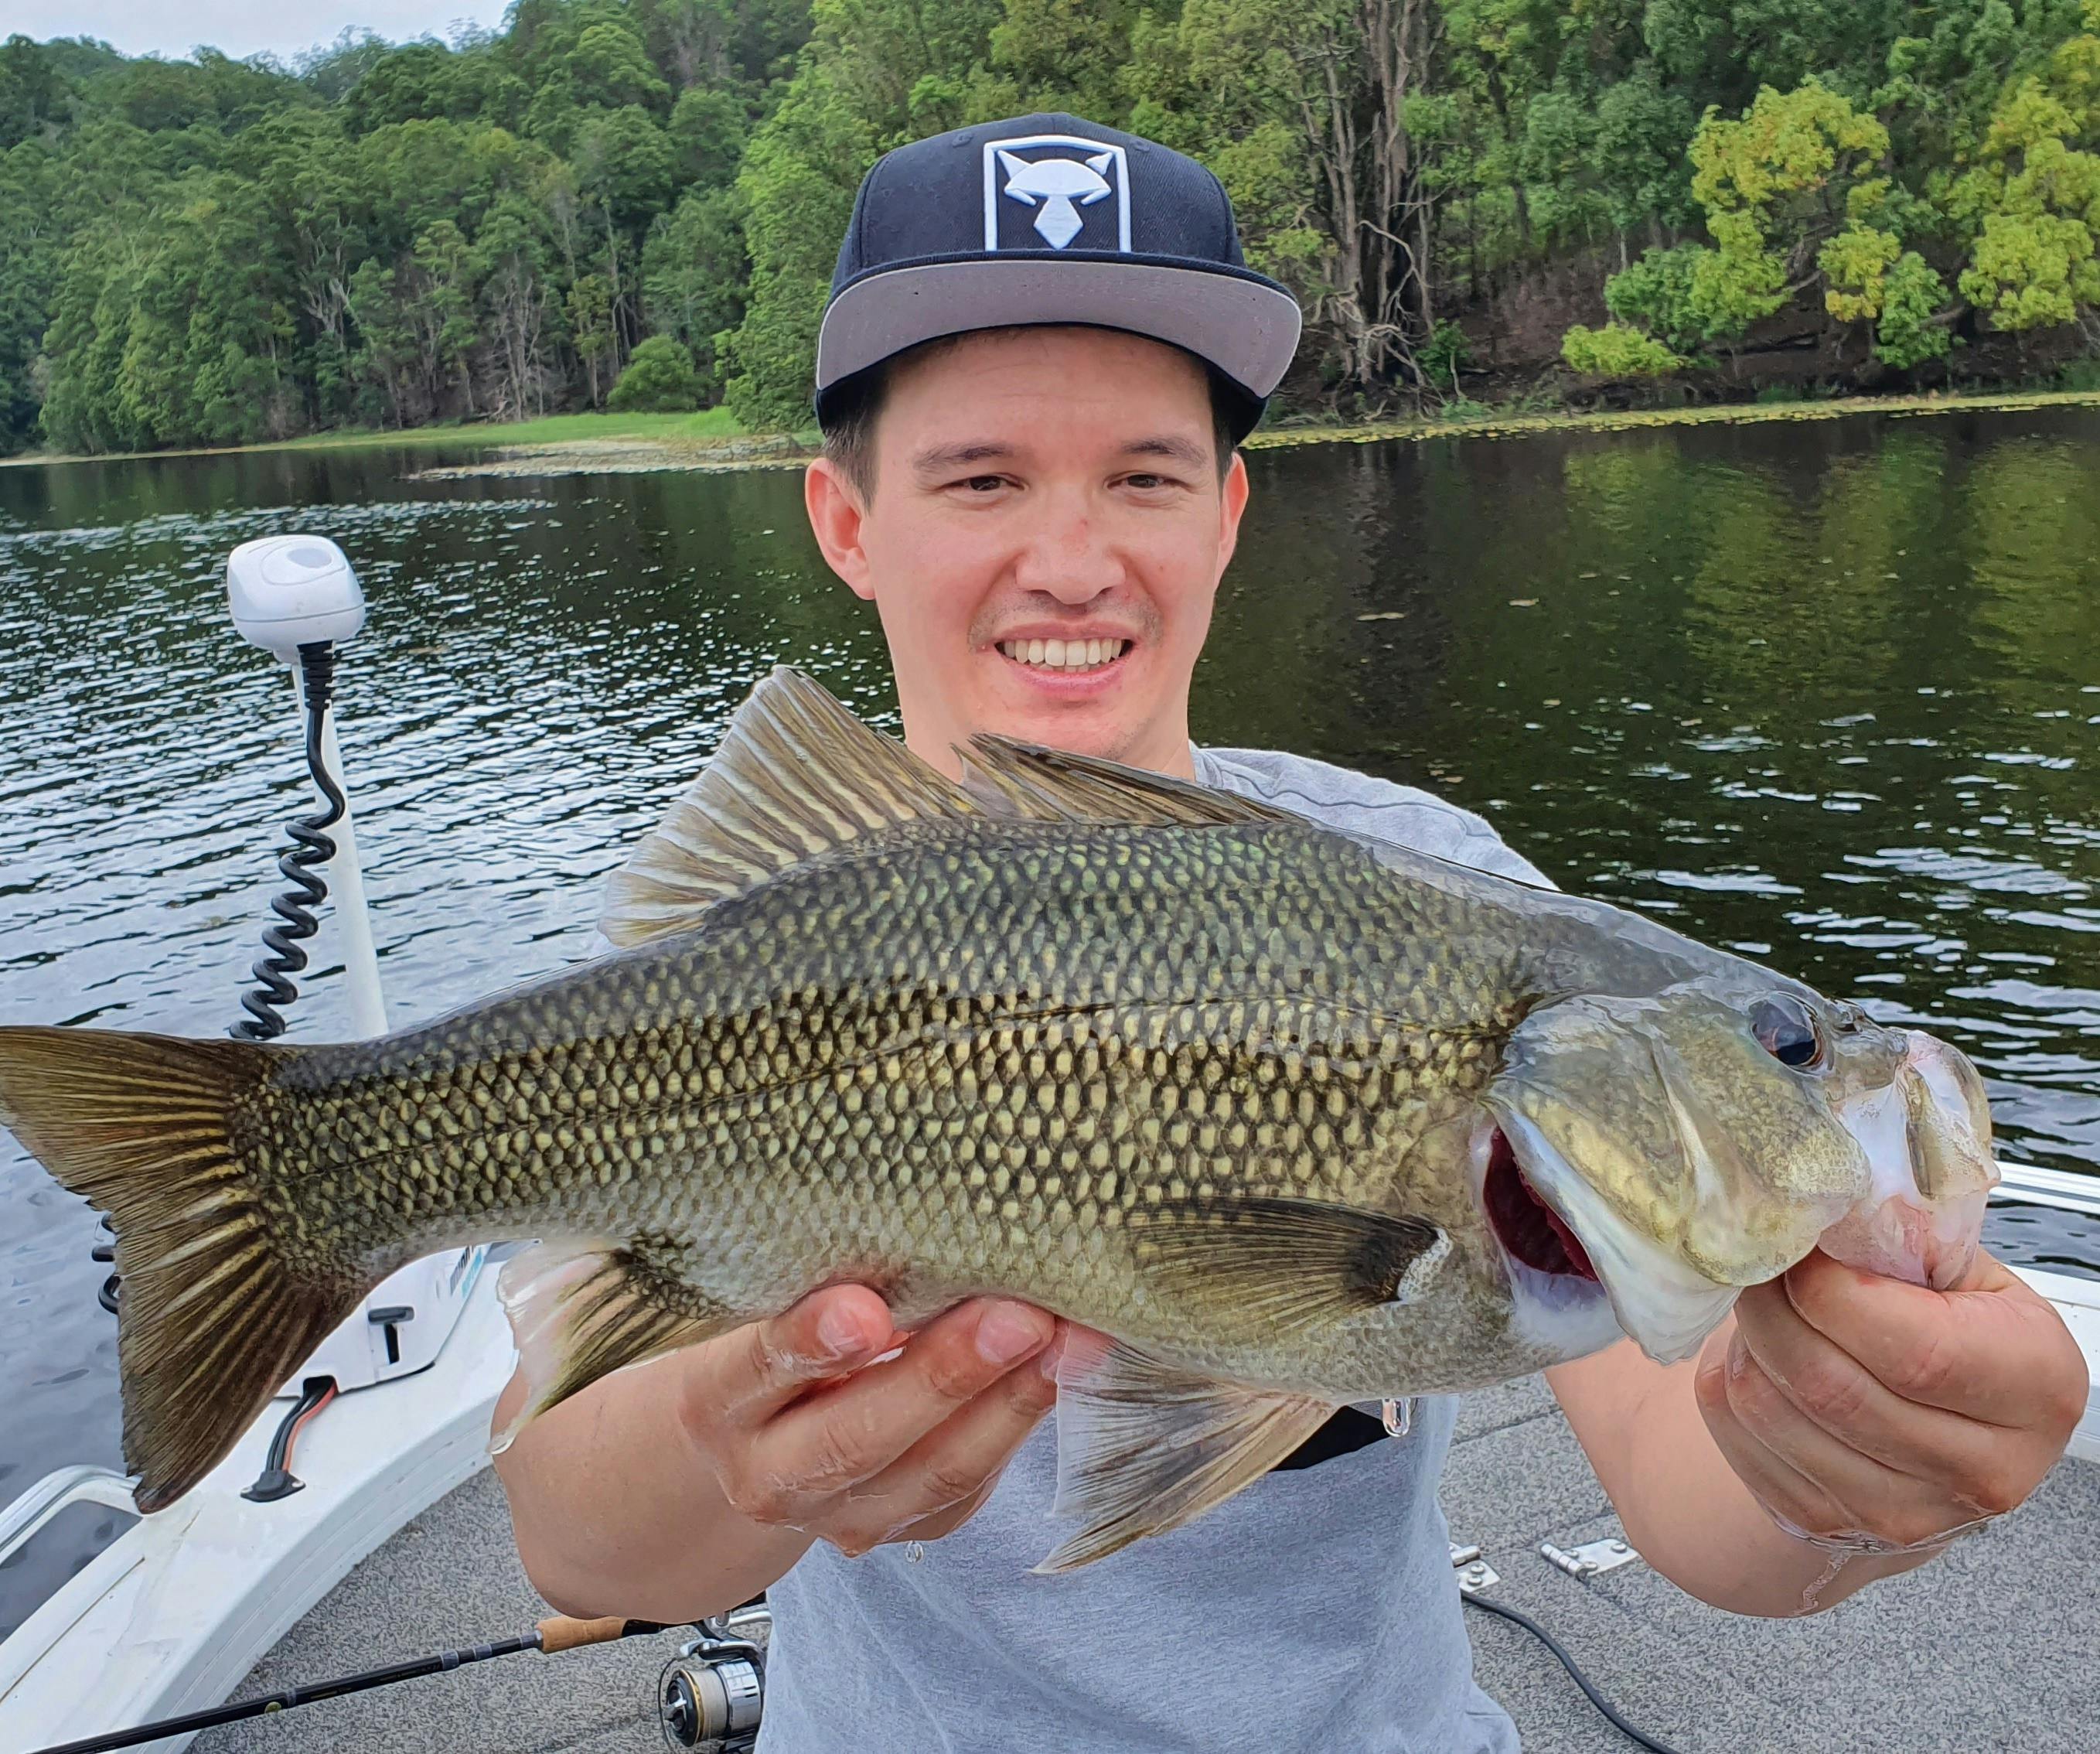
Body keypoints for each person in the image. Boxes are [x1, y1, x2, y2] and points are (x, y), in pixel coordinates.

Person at [493, 114, 2088, 1751]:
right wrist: (729, 1445)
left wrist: (1842, 1472)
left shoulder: (1439, 885)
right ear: (844, 522)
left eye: (1145, 476)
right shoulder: (733, 966)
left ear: (1226, 513)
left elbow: (1700, 1500)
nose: (1071, 562)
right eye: (980, 479)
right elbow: (574, 1542)